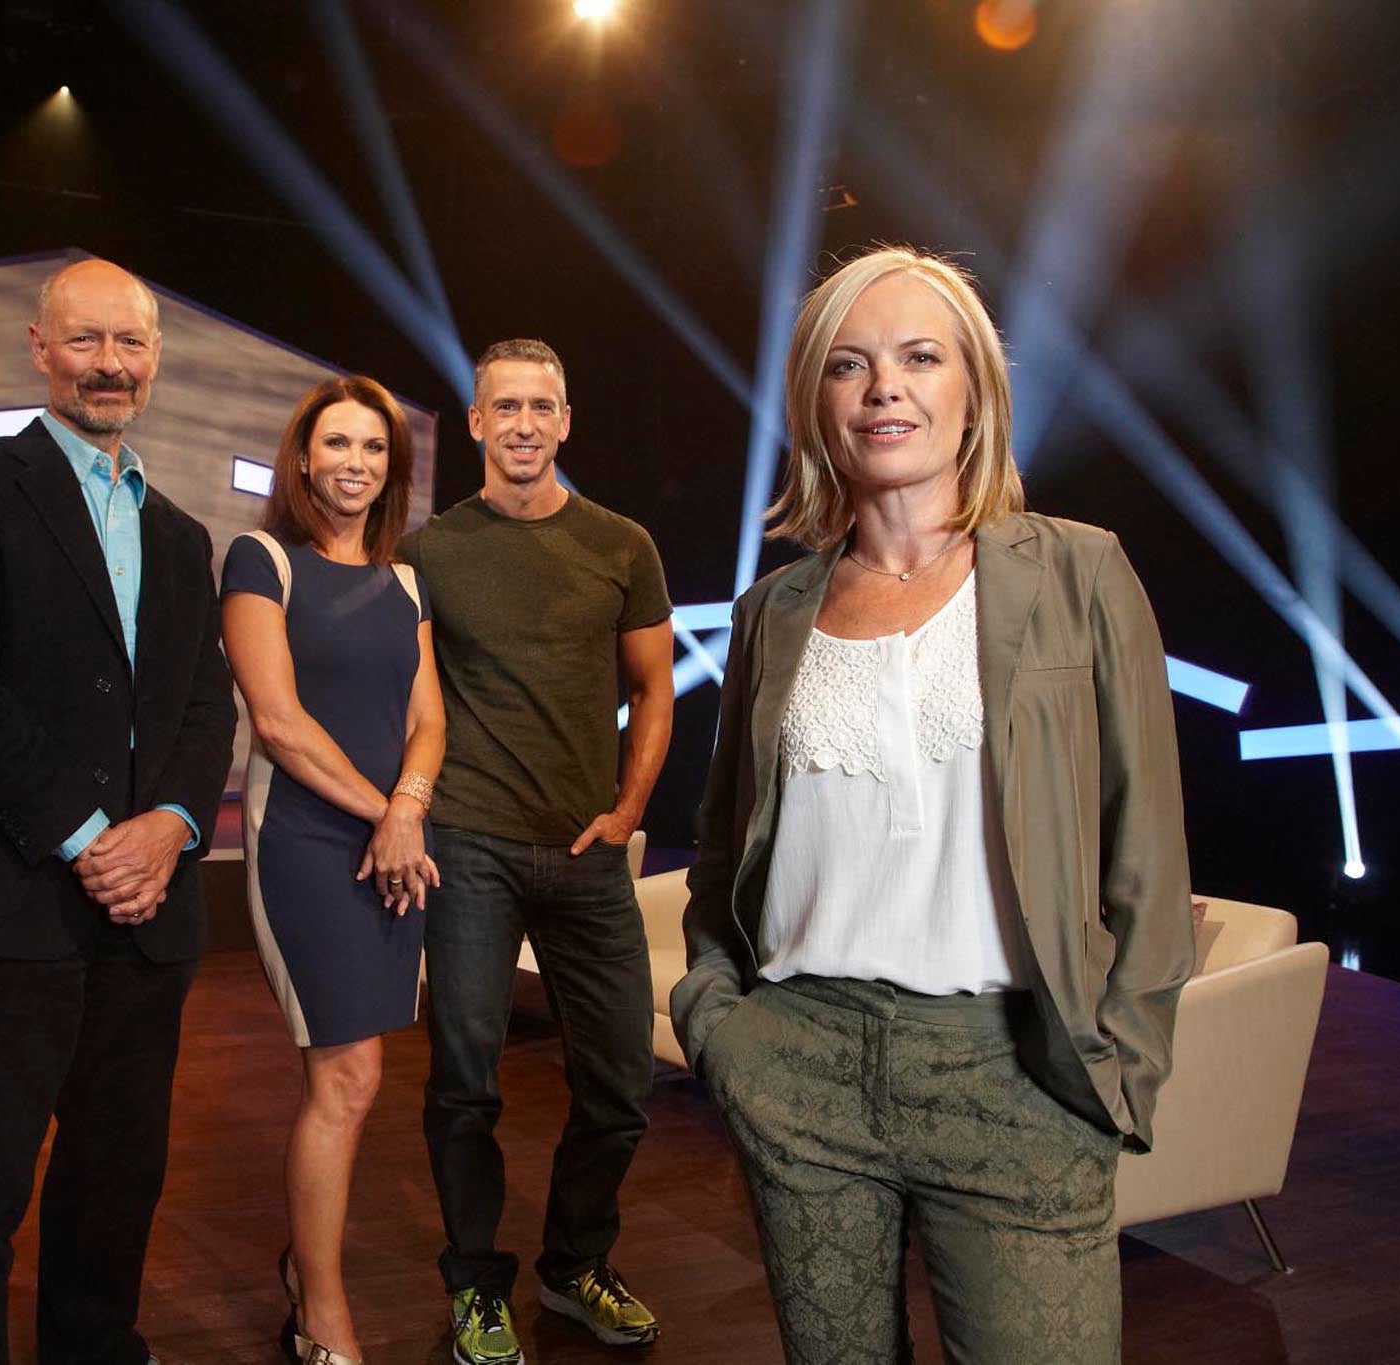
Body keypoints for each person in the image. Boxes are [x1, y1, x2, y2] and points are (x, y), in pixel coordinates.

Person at [671, 245, 1194, 1364]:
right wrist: (721, 1028)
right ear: (816, 404)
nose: (883, 388)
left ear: (973, 391)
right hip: (798, 1068)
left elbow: (1145, 851)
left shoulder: (1079, 574)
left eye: (919, 356)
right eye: (846, 366)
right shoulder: (773, 608)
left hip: (1015, 1077)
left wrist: (1116, 1077)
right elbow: (724, 847)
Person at [0, 257, 236, 1365]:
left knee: (113, 1190)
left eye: (129, 343)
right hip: (8, 899)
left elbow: (201, 710)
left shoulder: (185, 538)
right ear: (39, 347)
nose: (109, 366)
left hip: (148, 921)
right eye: (85, 341)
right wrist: (94, 839)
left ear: (156, 357)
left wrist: (173, 825)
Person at [398, 339, 676, 1365]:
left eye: (540, 407)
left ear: (565, 422)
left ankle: (573, 1267)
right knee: (463, 1084)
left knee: (617, 1084)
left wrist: (626, 808)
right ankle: (476, 1287)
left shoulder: (620, 544)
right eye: (502, 406)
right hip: (468, 846)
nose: (521, 423)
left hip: (587, 852)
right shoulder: (430, 552)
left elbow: (653, 690)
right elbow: (415, 701)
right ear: (474, 423)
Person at [221, 375, 446, 1365]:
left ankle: (304, 1277)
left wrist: (405, 811)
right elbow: (277, 724)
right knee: (344, 1074)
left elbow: (429, 719)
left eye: (374, 449)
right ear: (302, 458)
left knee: (361, 1076)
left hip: (390, 839)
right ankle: (320, 1310)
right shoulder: (260, 558)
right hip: (305, 842)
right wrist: (383, 817)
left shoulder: (405, 583)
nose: (355, 462)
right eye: (338, 444)